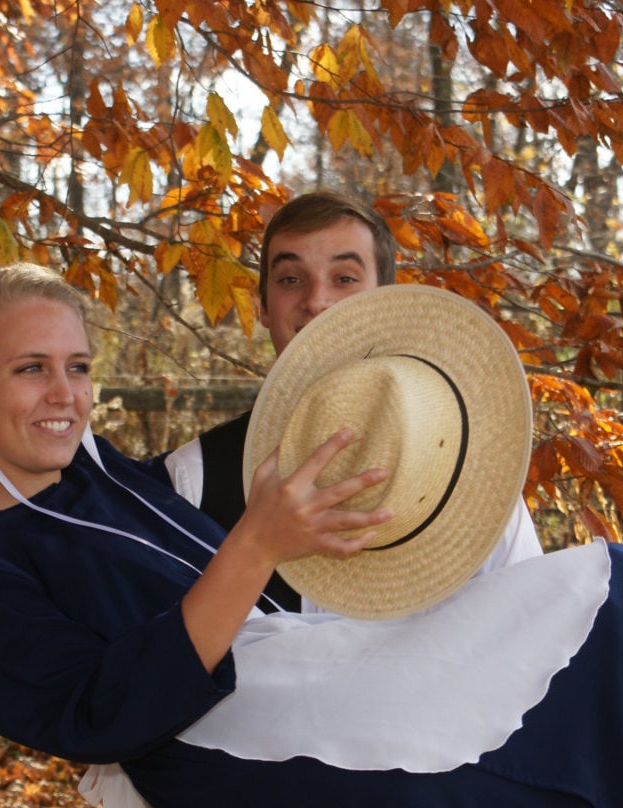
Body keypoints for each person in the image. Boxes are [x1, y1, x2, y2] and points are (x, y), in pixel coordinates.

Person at [0, 264, 623, 808]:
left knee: (605, 588)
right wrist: (256, 544)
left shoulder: (96, 475)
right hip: (239, 743)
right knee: (468, 774)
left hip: (310, 653)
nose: (64, 393)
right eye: (30, 368)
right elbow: (97, 715)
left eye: (78, 366)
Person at [163, 191, 542, 619]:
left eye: (344, 278)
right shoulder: (194, 478)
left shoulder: (475, 471)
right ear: (263, 306)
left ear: (385, 299)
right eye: (291, 279)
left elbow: (531, 632)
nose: (317, 301)